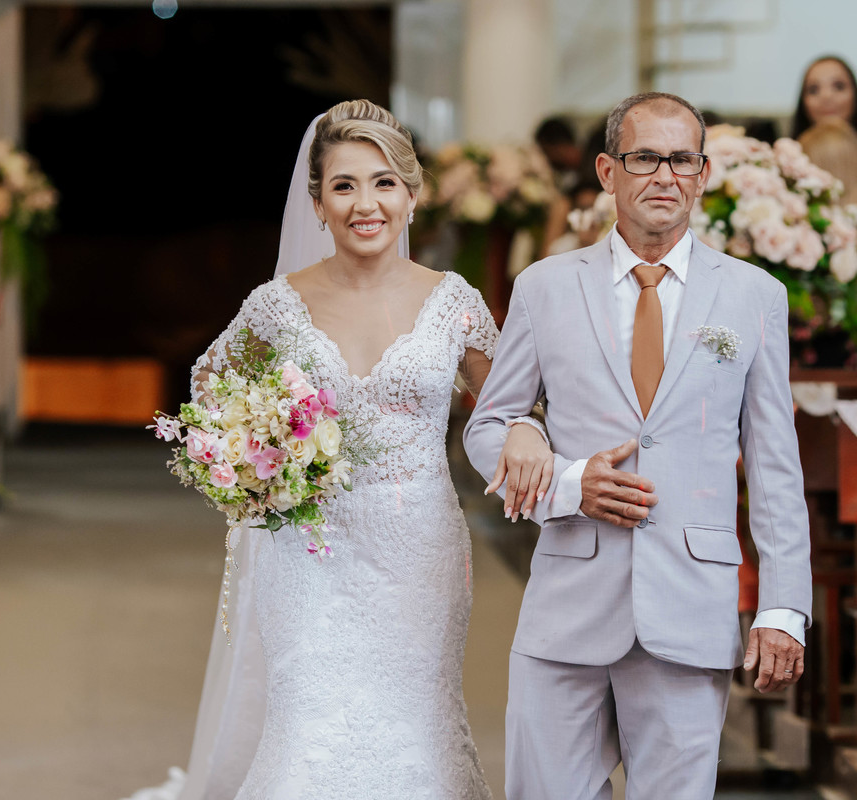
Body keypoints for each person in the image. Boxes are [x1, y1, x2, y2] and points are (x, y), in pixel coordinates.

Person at [135, 100, 554, 800]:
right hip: (306, 551)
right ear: (318, 205)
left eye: (385, 183)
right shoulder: (277, 303)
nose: (366, 204)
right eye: (344, 186)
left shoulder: (454, 302)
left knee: (417, 723)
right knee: (308, 724)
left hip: (418, 549)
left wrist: (526, 430)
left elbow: (511, 401)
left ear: (413, 197)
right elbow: (209, 384)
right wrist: (259, 455)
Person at [463, 91, 812, 799]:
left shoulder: (754, 296)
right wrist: (568, 484)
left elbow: (775, 464)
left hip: (691, 602)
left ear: (703, 173)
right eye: (645, 157)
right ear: (607, 171)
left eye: (681, 160)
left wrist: (782, 609)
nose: (664, 176)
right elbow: (488, 425)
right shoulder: (545, 287)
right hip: (567, 606)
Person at [790, 55, 857, 153]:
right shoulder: (785, 157)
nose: (826, 96)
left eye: (839, 86)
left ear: (855, 94)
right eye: (813, 90)